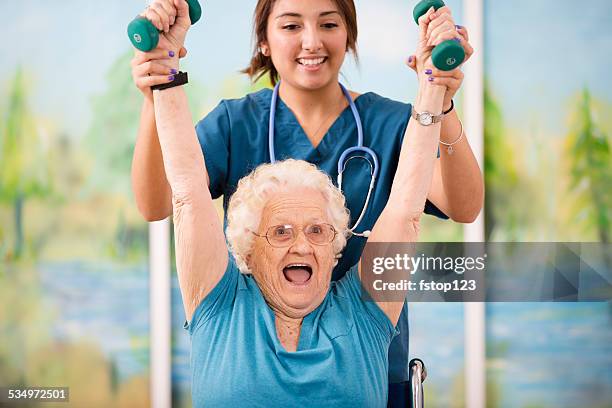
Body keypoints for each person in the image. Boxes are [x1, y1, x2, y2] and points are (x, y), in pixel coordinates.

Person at [130, 0, 483, 404]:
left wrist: (438, 93)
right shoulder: (236, 123)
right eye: (291, 26)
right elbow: (175, 197)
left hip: (368, 362)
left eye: (328, 23)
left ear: (349, 34)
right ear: (264, 40)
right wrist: (159, 79)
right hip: (250, 351)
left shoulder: (389, 122)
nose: (311, 41)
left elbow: (440, 208)